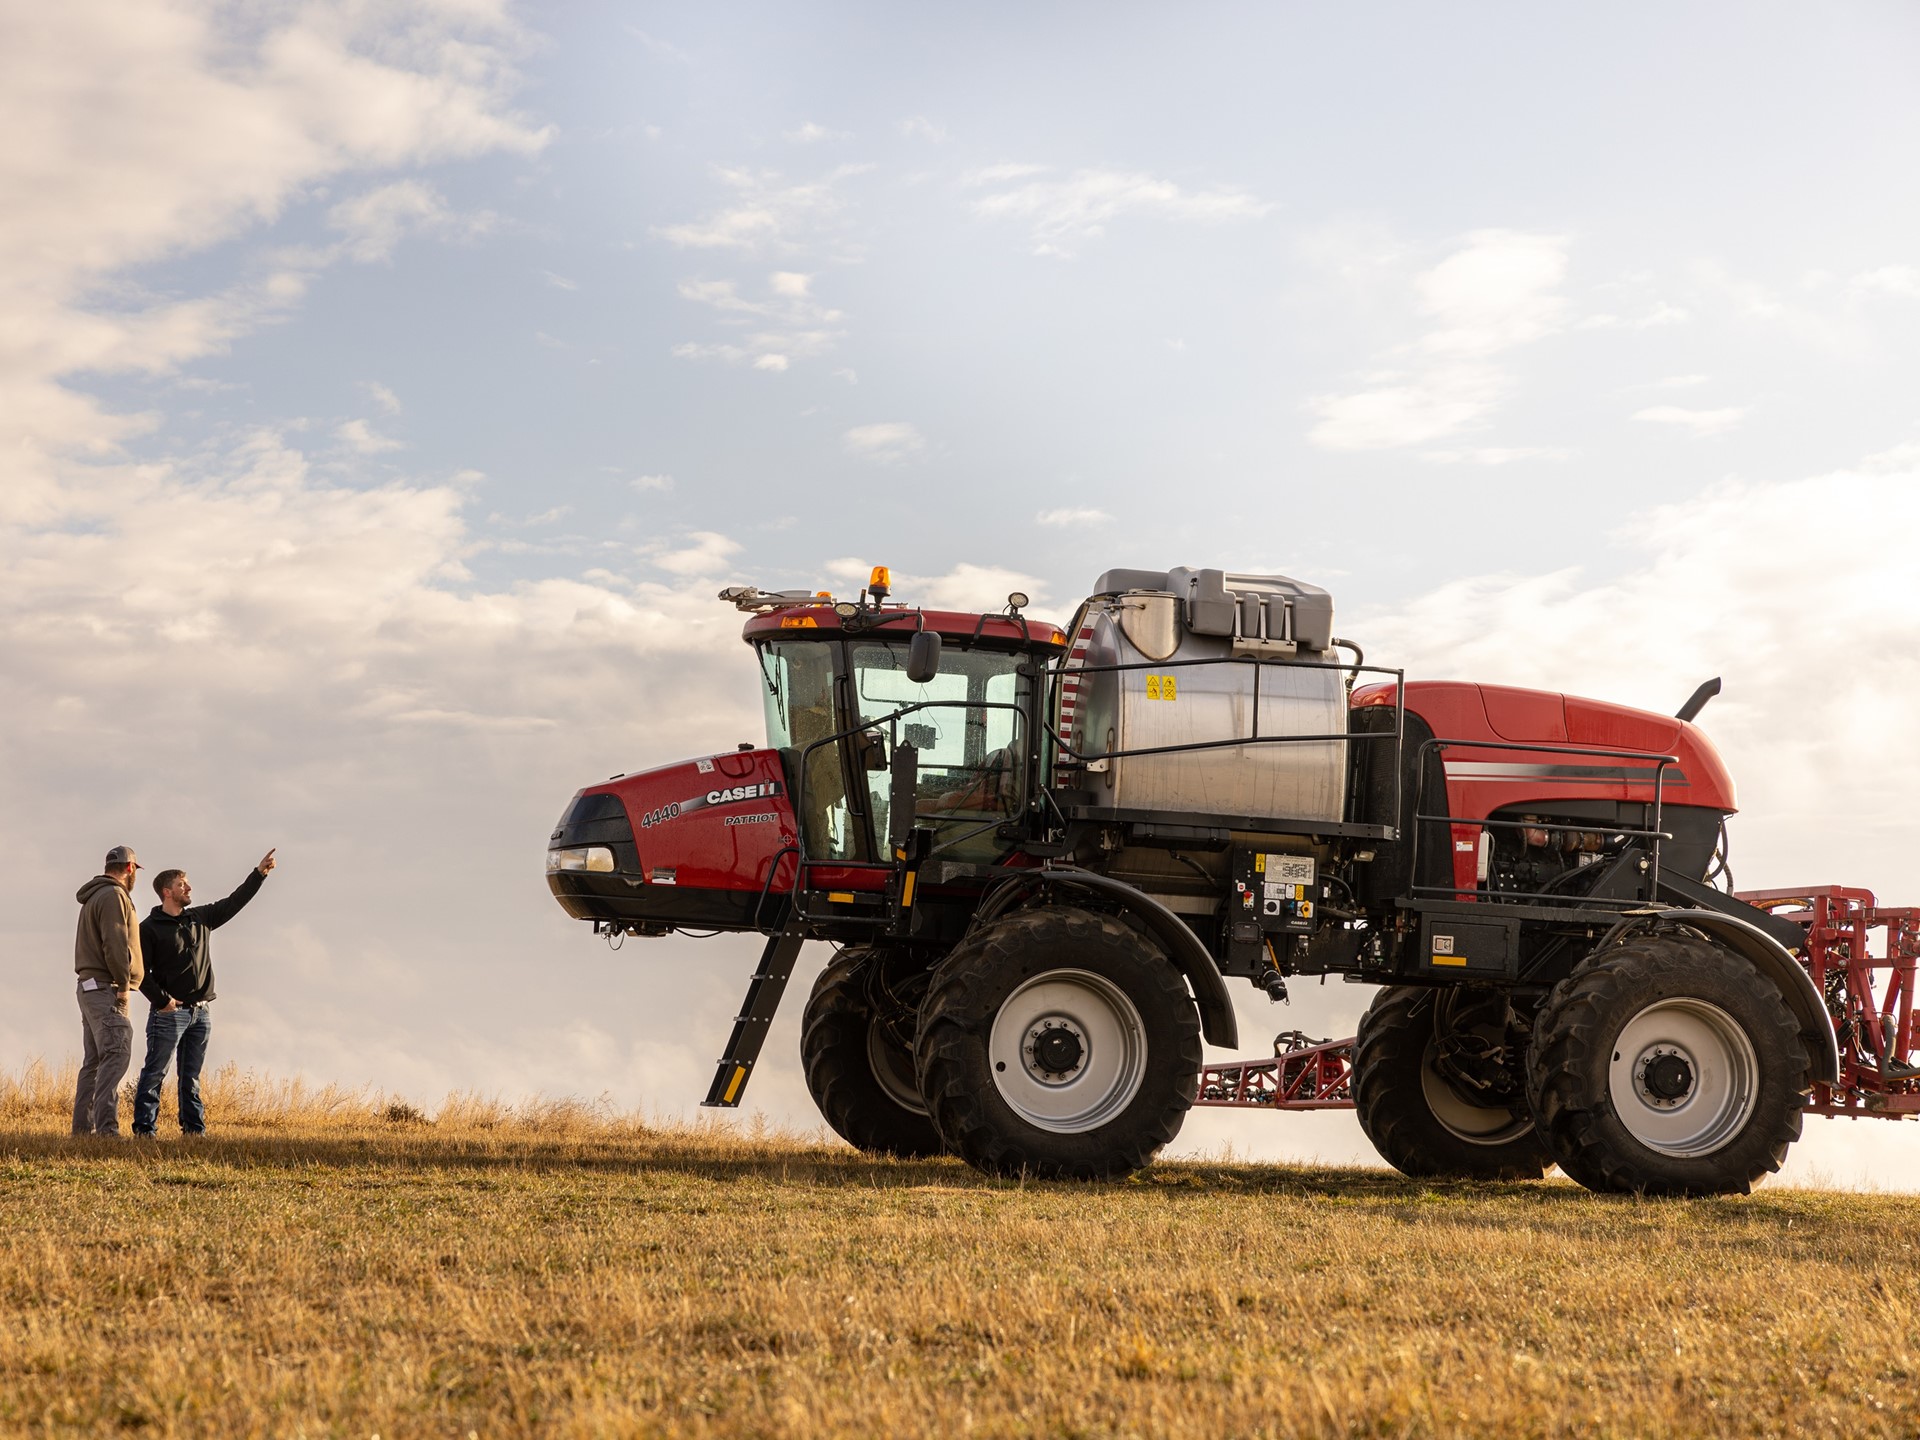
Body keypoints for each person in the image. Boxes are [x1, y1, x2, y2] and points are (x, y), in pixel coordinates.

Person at [132, 848, 277, 1137]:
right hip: (169, 1014)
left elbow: (234, 902)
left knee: (191, 1078)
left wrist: (259, 874)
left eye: (187, 883)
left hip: (201, 1013)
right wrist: (162, 1001)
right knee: (155, 1073)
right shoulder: (148, 929)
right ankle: (145, 1131)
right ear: (167, 892)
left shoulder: (200, 917)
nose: (188, 888)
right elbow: (138, 971)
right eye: (182, 884)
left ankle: (194, 1131)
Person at [73, 845, 144, 1136]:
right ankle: (106, 1131)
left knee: (94, 1061)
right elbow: (115, 944)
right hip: (106, 987)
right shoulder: (114, 895)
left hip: (89, 987)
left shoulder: (94, 895)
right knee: (116, 1052)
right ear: (129, 868)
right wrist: (123, 986)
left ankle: (82, 1130)